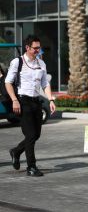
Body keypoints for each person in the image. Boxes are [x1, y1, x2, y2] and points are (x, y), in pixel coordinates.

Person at [5, 35, 56, 177]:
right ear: (27, 48)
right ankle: (31, 167)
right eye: (35, 48)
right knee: (30, 135)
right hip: (23, 101)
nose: (38, 50)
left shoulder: (41, 63)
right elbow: (8, 82)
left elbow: (45, 83)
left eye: (39, 48)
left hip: (36, 101)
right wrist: (14, 100)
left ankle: (16, 151)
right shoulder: (17, 62)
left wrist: (51, 100)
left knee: (36, 135)